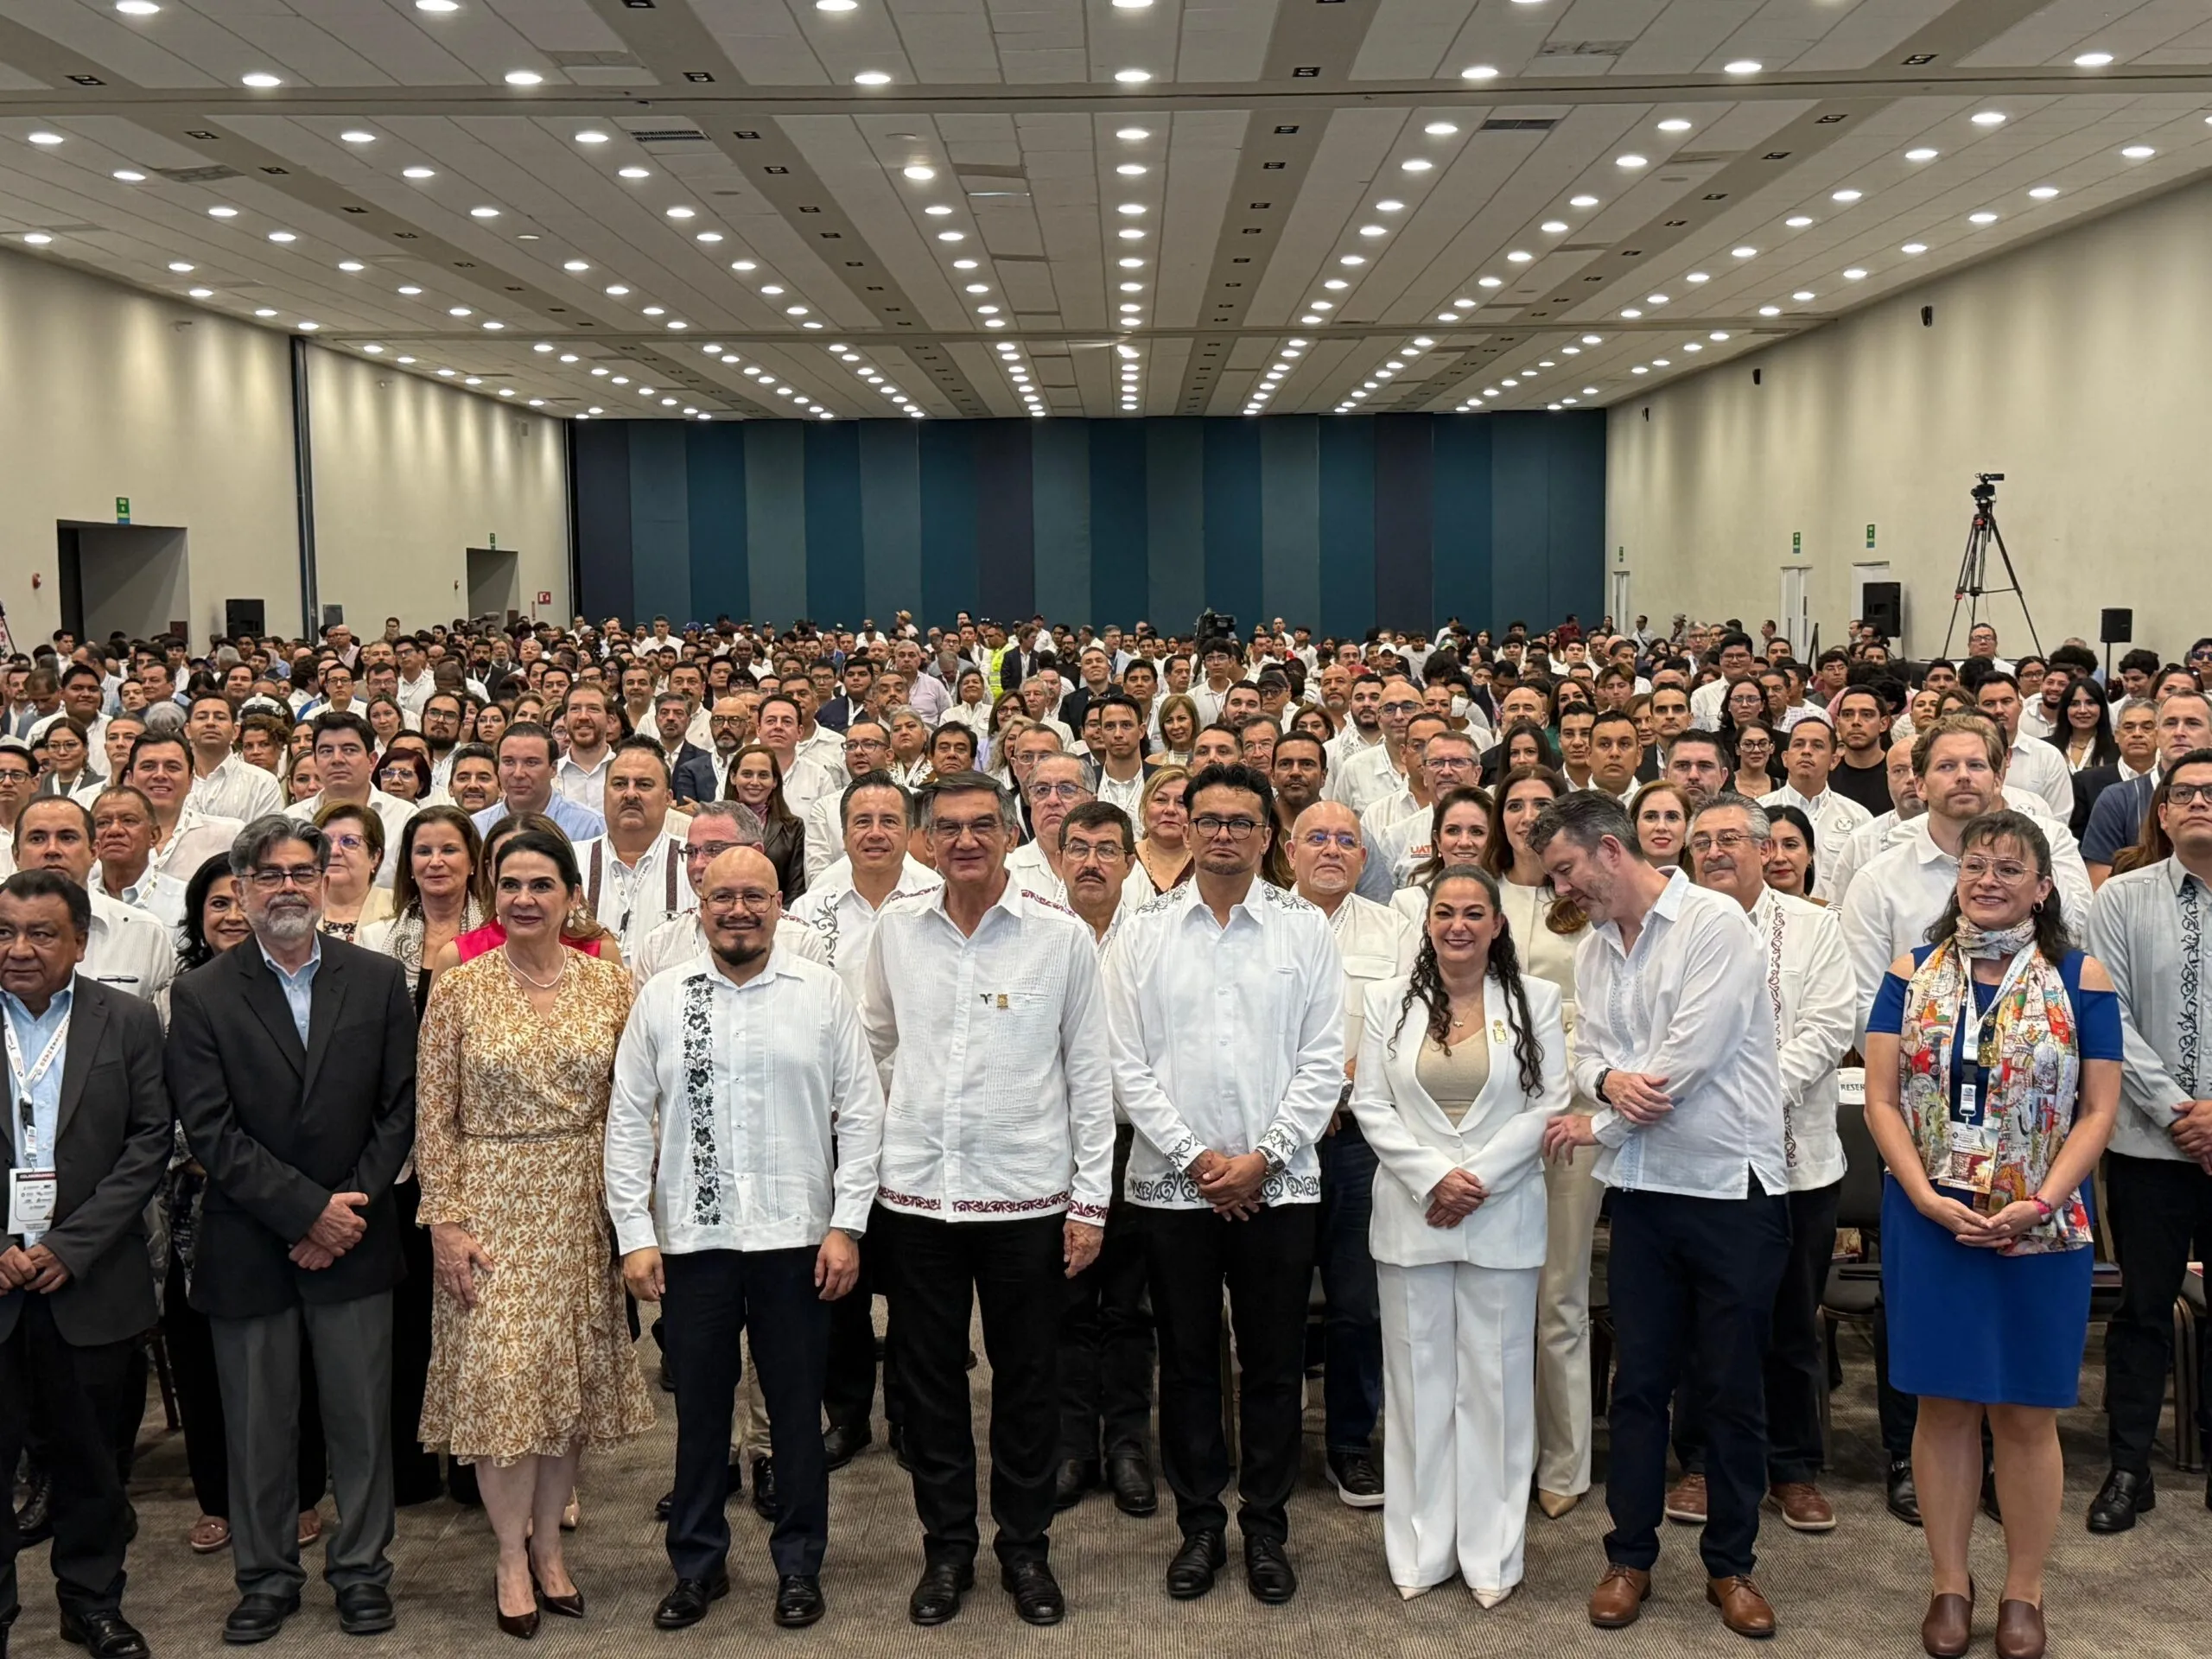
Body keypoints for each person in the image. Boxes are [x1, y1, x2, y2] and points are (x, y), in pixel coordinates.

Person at [1529, 792, 1789, 1640]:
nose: (1563, 891)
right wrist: (1607, 1085)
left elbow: (1689, 1061)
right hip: (1642, 1188)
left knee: (1729, 1387)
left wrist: (1598, 1116)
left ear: (1610, 851)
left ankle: (1732, 1565)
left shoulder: (1713, 923)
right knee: (1636, 1384)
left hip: (1727, 1189)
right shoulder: (1599, 949)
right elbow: (1590, 1051)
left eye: (1566, 872)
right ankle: (1628, 1557)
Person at [1861, 810, 2120, 1659]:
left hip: (2039, 1224)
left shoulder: (2082, 978)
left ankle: (2023, 1590)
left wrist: (2040, 1199)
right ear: (1956, 880)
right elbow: (1880, 1100)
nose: (1989, 880)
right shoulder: (1910, 971)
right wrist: (1921, 1196)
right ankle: (1947, 1582)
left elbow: (2099, 1110)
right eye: (1976, 865)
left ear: (2043, 889)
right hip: (1932, 1218)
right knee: (1941, 1405)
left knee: (2024, 1412)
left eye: (2011, 869)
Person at [858, 771, 1113, 1629]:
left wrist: (1090, 1204)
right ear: (925, 841)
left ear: (1008, 835)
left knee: (1029, 1380)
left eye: (980, 826)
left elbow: (1090, 1072)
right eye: (947, 828)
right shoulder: (895, 931)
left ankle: (1025, 1548)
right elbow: (873, 1048)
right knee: (927, 1383)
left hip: (1027, 1199)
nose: (964, 841)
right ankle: (947, 1548)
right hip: (919, 1199)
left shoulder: (1059, 937)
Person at [608, 836, 883, 1632]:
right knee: (699, 1413)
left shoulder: (821, 993)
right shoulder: (663, 997)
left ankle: (799, 1563)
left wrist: (847, 1226)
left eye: (753, 896)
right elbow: (628, 1121)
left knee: (796, 1412)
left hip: (798, 1239)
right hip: (693, 1243)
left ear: (777, 906)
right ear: (701, 908)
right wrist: (634, 1231)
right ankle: (697, 1564)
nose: (737, 910)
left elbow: (862, 1114)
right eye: (722, 897)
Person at [167, 816, 417, 1643]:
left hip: (355, 1232)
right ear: (240, 890)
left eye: (302, 872)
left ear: (325, 881)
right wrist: (305, 1211)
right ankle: (267, 1576)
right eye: (268, 874)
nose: (286, 887)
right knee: (258, 1427)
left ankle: (360, 1571)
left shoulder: (379, 979)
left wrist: (344, 1208)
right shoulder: (201, 993)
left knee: (360, 1423)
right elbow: (210, 1129)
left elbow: (399, 1109)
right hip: (252, 1241)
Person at [1103, 762, 1344, 1605]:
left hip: (1278, 1189)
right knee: (1190, 1362)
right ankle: (1201, 1525)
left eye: (1242, 823)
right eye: (1209, 820)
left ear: (1267, 836)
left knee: (1274, 1365)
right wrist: (1198, 1162)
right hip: (1175, 1192)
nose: (1224, 836)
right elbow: (1124, 1065)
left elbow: (1322, 1061)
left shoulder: (1303, 930)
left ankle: (1267, 1528)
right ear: (1183, 827)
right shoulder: (1142, 933)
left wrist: (1263, 1158)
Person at [414, 828, 656, 1637]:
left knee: (566, 1392)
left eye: (541, 885)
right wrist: (444, 1221)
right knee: (502, 1389)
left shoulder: (610, 985)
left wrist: (634, 1220)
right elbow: (433, 1119)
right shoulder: (459, 984)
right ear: (493, 893)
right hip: (490, 1207)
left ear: (569, 898)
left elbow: (635, 1110)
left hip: (582, 1208)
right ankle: (509, 1557)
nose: (524, 898)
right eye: (509, 884)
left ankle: (550, 1549)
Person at [1350, 864, 1567, 1603]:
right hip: (1413, 1217)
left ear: (1498, 925)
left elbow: (1550, 1104)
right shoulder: (1388, 1003)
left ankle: (1491, 1556)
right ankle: (1419, 1550)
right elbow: (1371, 1106)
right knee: (1417, 1386)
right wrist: (1431, 1177)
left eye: (1475, 912)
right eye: (1445, 912)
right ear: (1427, 920)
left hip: (1500, 1215)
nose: (1459, 925)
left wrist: (1474, 1180)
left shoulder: (1537, 1001)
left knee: (1496, 1390)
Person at [0, 869, 172, 1659]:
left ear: (78, 941)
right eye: (5, 932)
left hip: (93, 1279)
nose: (19, 949)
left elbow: (147, 1145)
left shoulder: (128, 1021)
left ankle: (92, 1601)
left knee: (94, 1465)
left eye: (40, 934)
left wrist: (70, 1245)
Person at [1673, 797, 1856, 1533]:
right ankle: (1699, 1461)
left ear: (1763, 849)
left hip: (1796, 1162)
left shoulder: (1814, 926)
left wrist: (1750, 1099)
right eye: (1702, 842)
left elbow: (1827, 1027)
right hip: (1696, 1164)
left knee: (1789, 1321)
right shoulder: (1671, 927)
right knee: (1704, 1322)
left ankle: (1791, 1466)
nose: (1716, 852)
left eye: (1731, 839)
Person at [161, 856, 335, 1554]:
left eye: (243, 901)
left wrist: (301, 1201)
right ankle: (219, 1496)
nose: (233, 915)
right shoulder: (182, 997)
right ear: (199, 920)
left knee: (300, 1361)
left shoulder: (317, 985)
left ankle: (297, 1490)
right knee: (207, 1359)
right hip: (202, 1208)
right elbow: (183, 1121)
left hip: (309, 1207)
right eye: (218, 906)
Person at [2081, 752, 2212, 1534]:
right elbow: (2110, 1020)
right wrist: (2180, 1113)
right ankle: (2130, 1466)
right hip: (2147, 1144)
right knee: (2142, 1308)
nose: (2198, 802)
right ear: (2162, 814)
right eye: (2184, 793)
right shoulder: (2123, 899)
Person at [1480, 765, 1604, 1517]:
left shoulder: (1587, 901)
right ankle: (1497, 1455)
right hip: (1486, 1112)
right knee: (1493, 1291)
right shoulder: (1479, 896)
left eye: (1541, 805)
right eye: (1514, 804)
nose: (1527, 816)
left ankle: (1564, 1459)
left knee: (1560, 1291)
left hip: (1572, 1114)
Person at [1287, 800, 1415, 1508]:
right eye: (1318, 838)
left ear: (1364, 858)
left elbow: (1405, 1029)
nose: (1332, 850)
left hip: (1363, 1141)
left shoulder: (1393, 930)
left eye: (1346, 841)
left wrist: (1349, 1089)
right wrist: (1305, 1100)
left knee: (1358, 1306)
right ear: (1289, 849)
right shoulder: (1263, 920)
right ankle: (1273, 1443)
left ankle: (1348, 1445)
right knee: (1272, 1302)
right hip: (1279, 1143)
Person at [1046, 802, 1160, 1516]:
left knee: (1129, 1306)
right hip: (1051, 1146)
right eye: (1078, 848)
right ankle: (1069, 1446)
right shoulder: (1037, 938)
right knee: (1063, 1306)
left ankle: (1126, 1444)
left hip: (1134, 1141)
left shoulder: (1154, 939)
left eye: (1107, 849)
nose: (1091, 861)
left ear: (1129, 862)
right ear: (1058, 860)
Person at [572, 740, 692, 962]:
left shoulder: (695, 861)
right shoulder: (570, 862)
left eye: (644, 785)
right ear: (604, 793)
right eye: (619, 784)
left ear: (668, 798)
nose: (630, 794)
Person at [286, 711, 416, 886]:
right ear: (316, 761)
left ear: (372, 761)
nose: (337, 759)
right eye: (326, 751)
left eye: (349, 750)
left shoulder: (404, 817)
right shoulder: (291, 820)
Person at [1760, 716, 1871, 901]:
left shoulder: (1859, 817)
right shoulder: (1758, 811)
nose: (1806, 751)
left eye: (1817, 746)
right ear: (1785, 758)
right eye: (1798, 744)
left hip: (1838, 921)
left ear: (1834, 760)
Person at [468, 723, 605, 845]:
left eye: (531, 763)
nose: (518, 774)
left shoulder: (589, 826)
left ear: (553, 768)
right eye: (509, 762)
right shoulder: (477, 827)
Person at [724, 744, 808, 905]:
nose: (755, 782)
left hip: (776, 919)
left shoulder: (793, 827)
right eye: (747, 774)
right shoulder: (714, 824)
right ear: (733, 777)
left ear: (775, 781)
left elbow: (795, 891)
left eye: (763, 775)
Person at [311, 802, 396, 942]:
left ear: (375, 856)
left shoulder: (398, 910)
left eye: (349, 841)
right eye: (325, 842)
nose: (334, 851)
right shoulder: (298, 907)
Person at [1132, 766, 1192, 894]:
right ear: (1145, 804)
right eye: (1161, 800)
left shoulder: (1205, 862)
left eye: (1181, 802)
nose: (1170, 810)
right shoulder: (1124, 859)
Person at [1630, 779, 1691, 870]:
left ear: (1688, 828)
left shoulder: (1706, 883)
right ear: (1634, 826)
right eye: (1650, 817)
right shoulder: (1610, 882)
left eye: (1672, 817)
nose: (1661, 827)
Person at [1763, 804, 1818, 899]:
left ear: (1810, 854)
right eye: (1769, 847)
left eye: (1790, 845)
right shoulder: (1736, 913)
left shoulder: (1832, 914)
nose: (1779, 858)